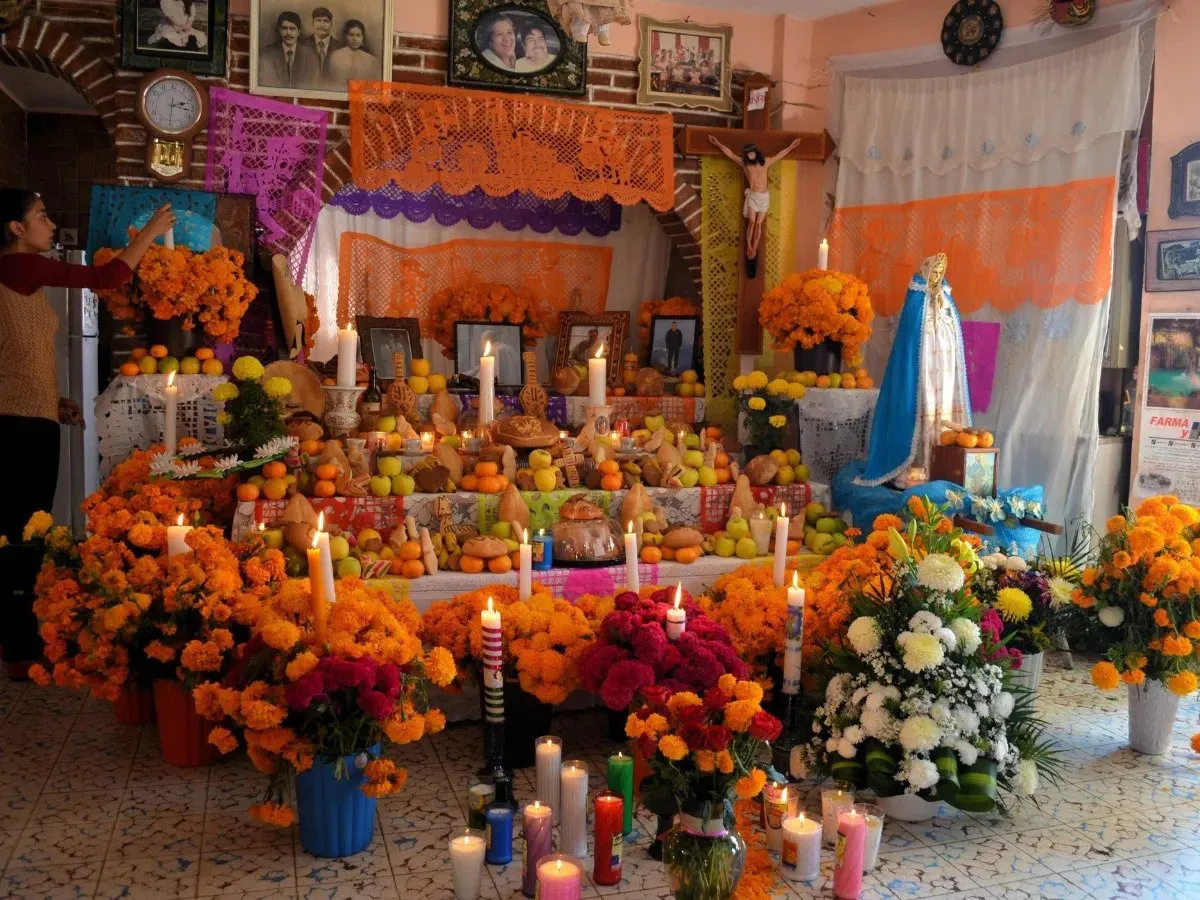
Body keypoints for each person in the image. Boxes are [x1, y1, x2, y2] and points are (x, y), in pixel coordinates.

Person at [0, 191, 175, 677]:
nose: (50, 224)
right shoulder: (19, 267)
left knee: (20, 528)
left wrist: (51, 400)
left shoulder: (19, 275)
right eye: (41, 216)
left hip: (27, 416)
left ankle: (19, 642)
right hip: (17, 426)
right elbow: (105, 279)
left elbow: (15, 353)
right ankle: (19, 650)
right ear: (16, 229)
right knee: (22, 534)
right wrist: (148, 235)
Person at [856, 253, 971, 489]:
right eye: (933, 272)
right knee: (920, 413)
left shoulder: (948, 301)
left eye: (941, 272)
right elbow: (909, 341)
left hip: (945, 372)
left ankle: (941, 469)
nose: (937, 277)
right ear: (926, 272)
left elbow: (955, 337)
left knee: (943, 416)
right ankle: (914, 468)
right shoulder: (916, 300)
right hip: (923, 372)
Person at [707, 134, 803, 279]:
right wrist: (718, 143)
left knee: (759, 224)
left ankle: (755, 247)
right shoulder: (745, 165)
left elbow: (779, 155)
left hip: (764, 198)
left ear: (756, 152)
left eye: (751, 152)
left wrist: (791, 146)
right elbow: (731, 154)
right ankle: (749, 246)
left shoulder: (766, 162)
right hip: (753, 197)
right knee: (751, 222)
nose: (750, 155)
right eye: (747, 153)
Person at [260, 11, 318, 90]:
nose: (288, 33)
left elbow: (313, 86)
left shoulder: (310, 55)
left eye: (292, 29)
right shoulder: (266, 54)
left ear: (299, 32)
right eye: (284, 28)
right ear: (279, 30)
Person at [304, 7, 344, 85]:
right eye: (318, 20)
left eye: (326, 21)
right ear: (312, 23)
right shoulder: (302, 44)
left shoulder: (340, 47)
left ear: (331, 24)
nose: (322, 25)